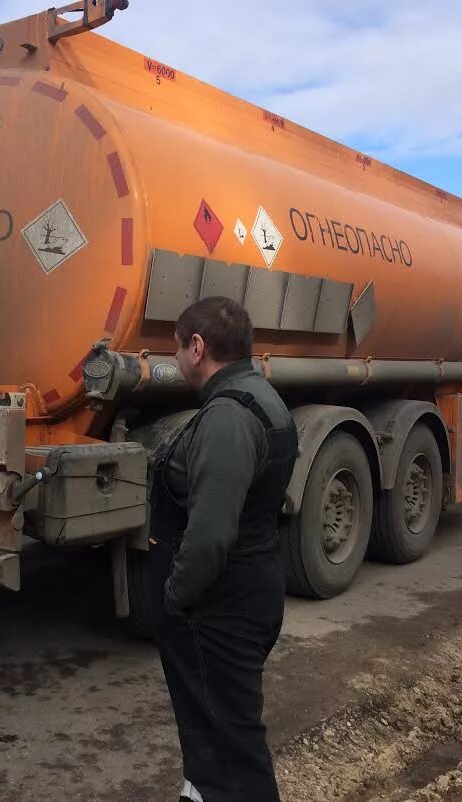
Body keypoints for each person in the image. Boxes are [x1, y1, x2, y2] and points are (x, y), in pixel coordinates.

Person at [149, 296, 299, 802]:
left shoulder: (227, 418)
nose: (174, 359)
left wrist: (175, 595)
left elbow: (211, 533)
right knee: (215, 742)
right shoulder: (260, 398)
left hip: (220, 604)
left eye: (176, 348)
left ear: (197, 347)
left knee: (233, 753)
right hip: (246, 587)